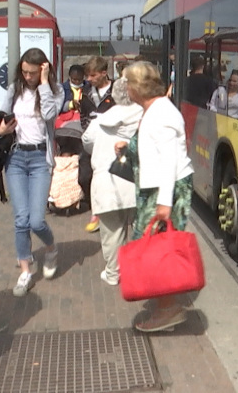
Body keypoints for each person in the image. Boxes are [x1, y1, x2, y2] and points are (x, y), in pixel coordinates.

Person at [117, 61, 194, 332]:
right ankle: (166, 305)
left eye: (128, 83)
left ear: (138, 87)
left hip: (164, 189)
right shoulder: (156, 109)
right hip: (159, 188)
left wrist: (164, 202)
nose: (125, 88)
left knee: (156, 250)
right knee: (154, 249)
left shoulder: (160, 112)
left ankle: (169, 309)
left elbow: (169, 160)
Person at [0, 48, 64, 297]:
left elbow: (49, 114)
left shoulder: (55, 91)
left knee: (37, 220)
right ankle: (25, 270)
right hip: (15, 157)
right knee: (21, 219)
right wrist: (1, 131)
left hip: (39, 160)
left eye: (33, 73)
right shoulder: (15, 89)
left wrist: (44, 83)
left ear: (44, 69)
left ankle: (51, 247)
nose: (28, 77)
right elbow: (1, 118)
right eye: (24, 72)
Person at [81, 76, 143, 286]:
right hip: (138, 181)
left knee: (111, 233)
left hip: (106, 182)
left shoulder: (100, 121)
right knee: (141, 229)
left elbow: (87, 142)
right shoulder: (145, 117)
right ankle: (140, 269)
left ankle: (113, 272)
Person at [79, 55, 115, 232]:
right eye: (87, 76)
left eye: (92, 75)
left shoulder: (117, 90)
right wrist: (89, 130)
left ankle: (102, 213)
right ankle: (96, 207)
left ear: (104, 73)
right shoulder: (85, 94)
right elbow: (83, 117)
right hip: (91, 144)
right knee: (84, 177)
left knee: (111, 178)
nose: (88, 79)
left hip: (112, 144)